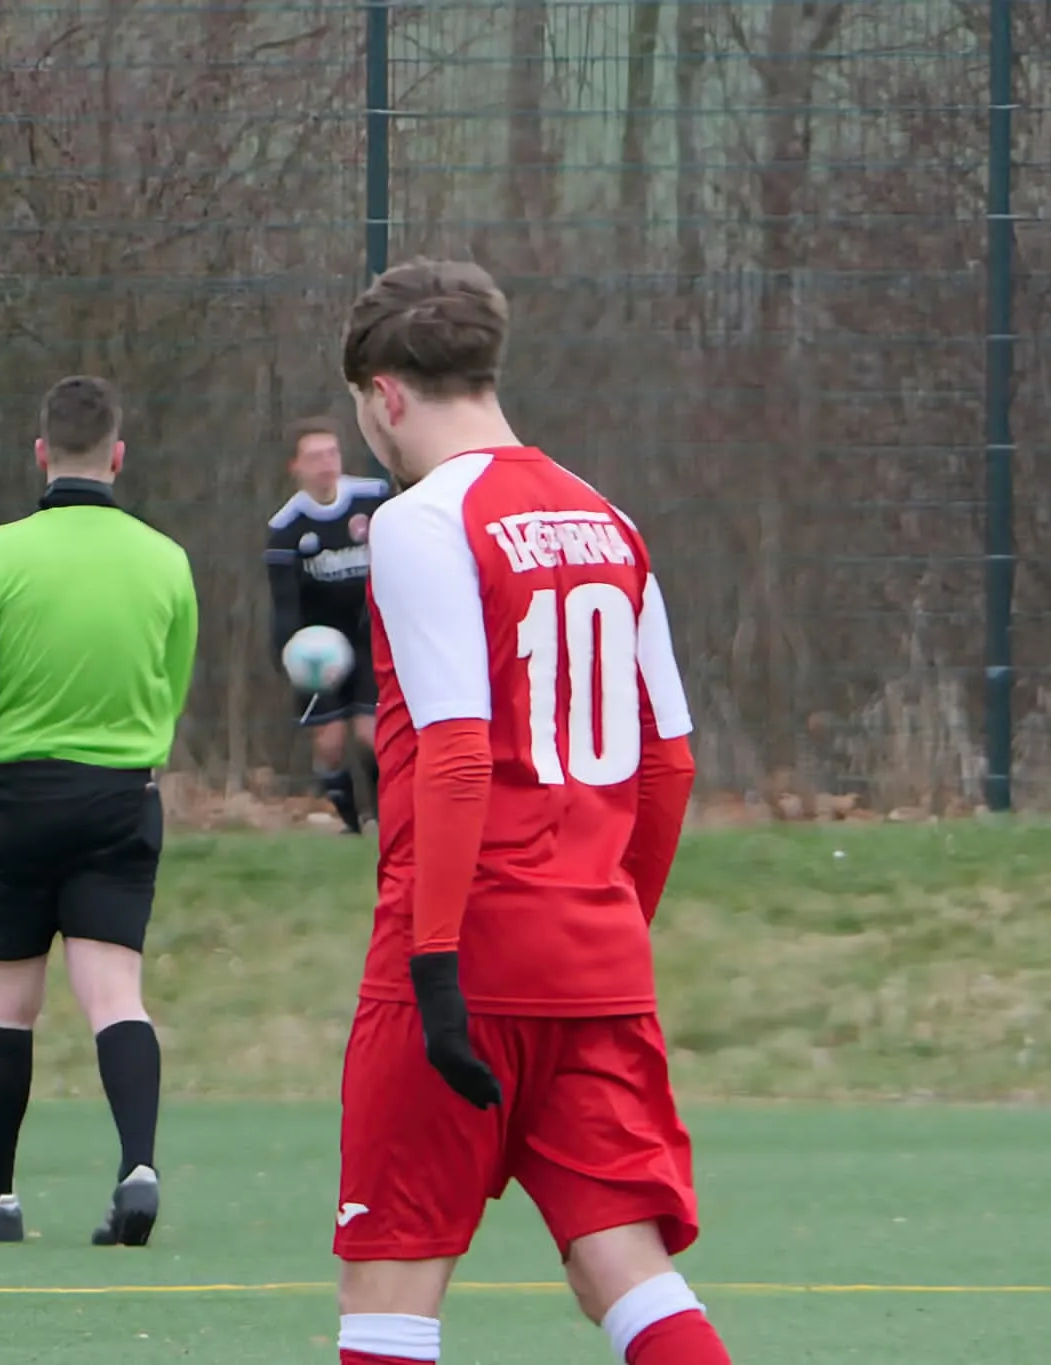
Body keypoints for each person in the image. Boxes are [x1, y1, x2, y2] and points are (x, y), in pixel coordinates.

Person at [330, 259, 731, 1365]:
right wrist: (613, 918)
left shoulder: (420, 520)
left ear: (385, 394)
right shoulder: (607, 517)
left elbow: (457, 753)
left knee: (390, 1286)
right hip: (593, 960)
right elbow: (667, 764)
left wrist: (435, 962)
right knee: (622, 1266)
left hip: (460, 954)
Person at [0, 375, 198, 1246]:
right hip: (121, 792)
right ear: (118, 456)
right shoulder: (165, 559)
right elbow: (171, 682)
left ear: (41, 453)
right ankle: (139, 1166)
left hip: (19, 792)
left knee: (8, 1004)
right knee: (116, 993)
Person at [265, 416, 390, 833]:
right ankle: (351, 822)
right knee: (330, 743)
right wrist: (288, 653)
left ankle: (384, 818)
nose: (326, 463)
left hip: (370, 636)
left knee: (372, 736)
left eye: (331, 453)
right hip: (318, 648)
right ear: (295, 467)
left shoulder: (374, 498)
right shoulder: (286, 528)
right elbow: (284, 601)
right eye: (315, 457)